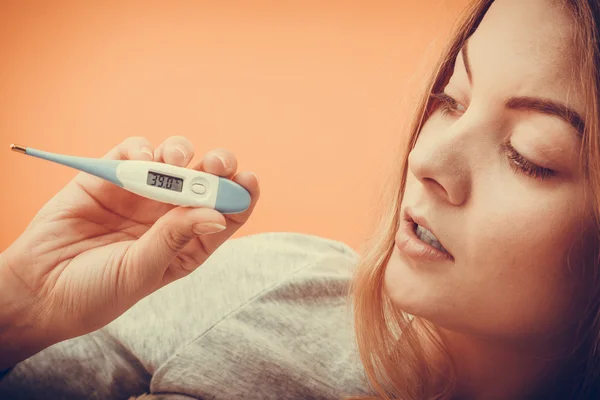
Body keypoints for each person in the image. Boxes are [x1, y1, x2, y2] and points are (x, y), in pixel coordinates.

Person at [2, 0, 600, 398]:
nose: (426, 162)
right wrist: (24, 305)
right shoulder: (277, 281)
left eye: (529, 154)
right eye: (450, 99)